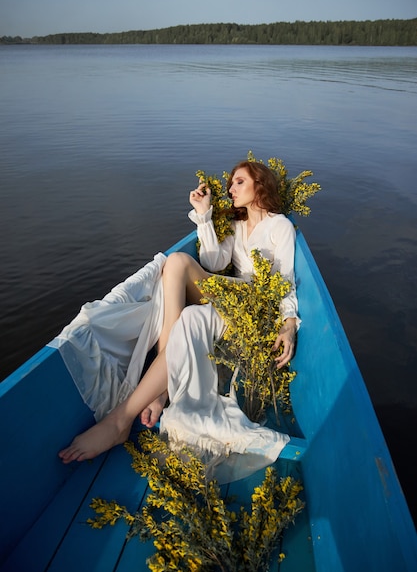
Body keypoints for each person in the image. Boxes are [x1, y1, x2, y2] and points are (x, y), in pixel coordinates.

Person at [59, 161, 299, 473]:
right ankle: (162, 389)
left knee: (185, 293)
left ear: (260, 183)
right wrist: (204, 214)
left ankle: (121, 418)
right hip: (231, 294)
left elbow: (286, 282)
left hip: (254, 304)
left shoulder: (279, 226)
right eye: (230, 183)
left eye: (239, 182)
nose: (231, 189)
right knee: (176, 264)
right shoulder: (238, 224)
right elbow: (213, 262)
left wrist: (289, 324)